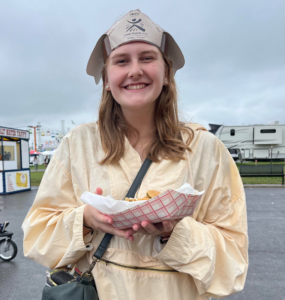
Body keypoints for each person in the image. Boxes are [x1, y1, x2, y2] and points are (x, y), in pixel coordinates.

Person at [22, 9, 248, 300]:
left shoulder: (205, 148)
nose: (135, 70)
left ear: (166, 73)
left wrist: (173, 232)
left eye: (147, 57)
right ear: (106, 79)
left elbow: (234, 259)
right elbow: (36, 237)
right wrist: (86, 219)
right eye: (121, 61)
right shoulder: (77, 144)